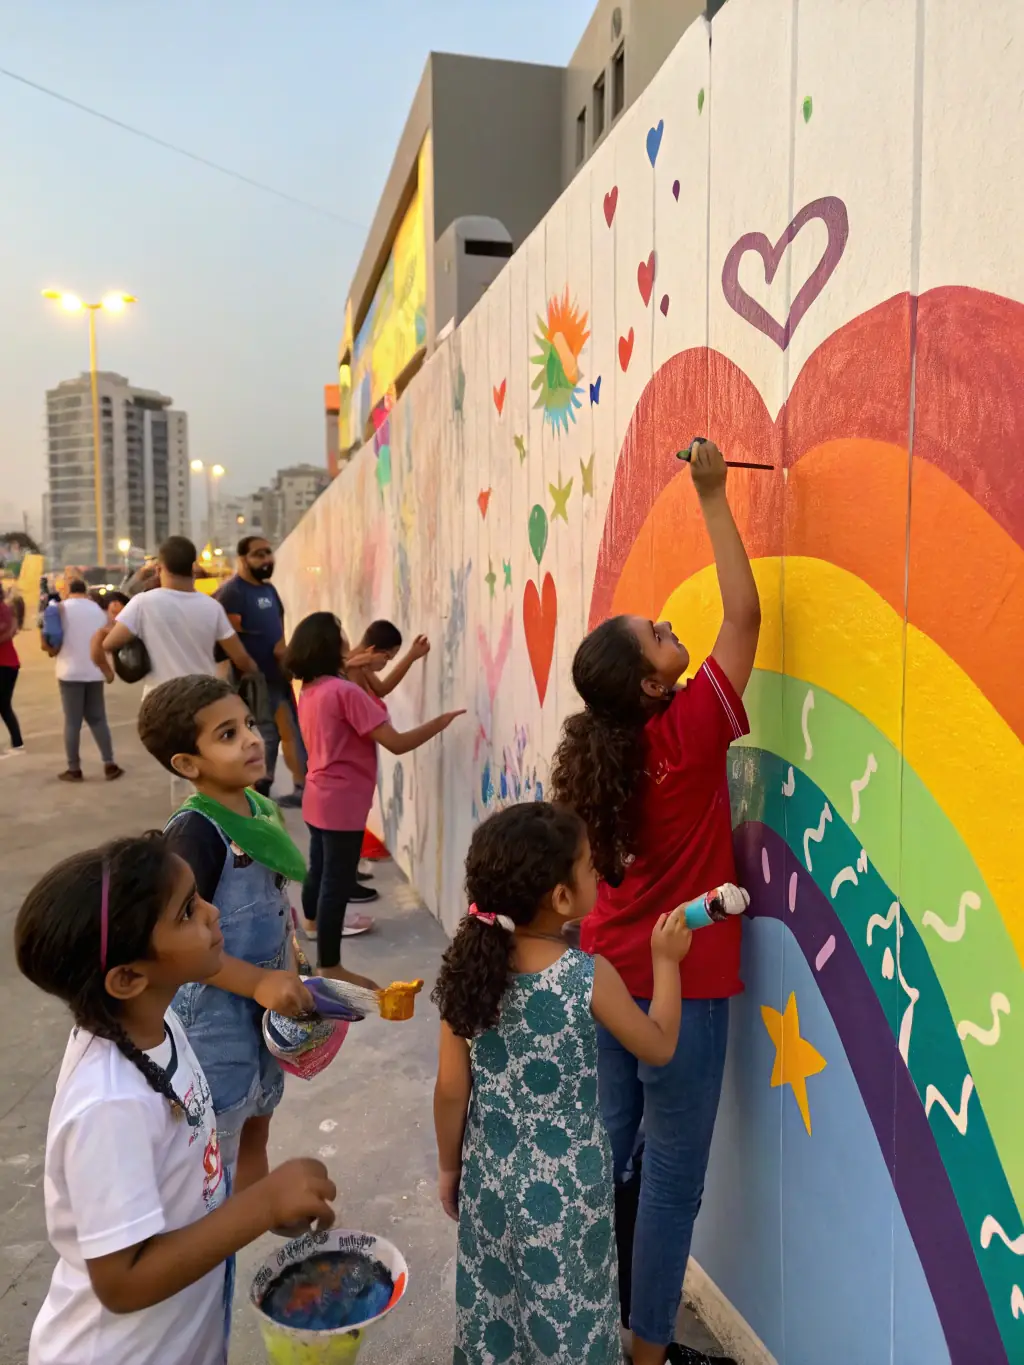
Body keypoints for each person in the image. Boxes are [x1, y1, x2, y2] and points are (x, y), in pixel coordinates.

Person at [549, 440, 758, 1365]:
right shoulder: (690, 727)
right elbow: (746, 614)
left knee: (607, 1153)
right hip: (686, 980)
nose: (675, 628)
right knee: (671, 1177)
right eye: (662, 635)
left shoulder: (589, 758)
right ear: (651, 683)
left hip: (604, 973)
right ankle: (646, 1350)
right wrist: (712, 496)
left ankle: (595, 1315)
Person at [16, 834, 337, 1365]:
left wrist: (255, 1209)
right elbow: (122, 1282)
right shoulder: (109, 1105)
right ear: (127, 977)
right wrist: (261, 1205)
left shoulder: (156, 1023)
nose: (213, 913)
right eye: (188, 911)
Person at [432, 802, 693, 1365]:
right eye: (586, 864)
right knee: (570, 1316)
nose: (597, 870)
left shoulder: (467, 969)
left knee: (496, 1314)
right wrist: (666, 961)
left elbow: (452, 1090)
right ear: (559, 897)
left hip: (491, 1179)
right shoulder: (586, 977)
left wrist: (451, 1167)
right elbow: (659, 1045)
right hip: (570, 1195)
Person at [137, 674, 314, 1186]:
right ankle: (220, 1236)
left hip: (263, 1012)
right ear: (188, 765)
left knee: (259, 1117)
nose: (253, 739)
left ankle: (256, 1210)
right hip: (213, 1019)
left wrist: (292, 969)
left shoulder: (258, 811)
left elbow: (275, 905)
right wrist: (257, 981)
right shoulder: (196, 834)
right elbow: (172, 944)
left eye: (249, 724)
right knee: (219, 1137)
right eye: (228, 734)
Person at [284, 611, 463, 974]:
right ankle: (330, 966)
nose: (349, 644)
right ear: (330, 647)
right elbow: (396, 743)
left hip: (318, 796)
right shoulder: (345, 692)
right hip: (343, 802)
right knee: (336, 881)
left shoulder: (312, 689)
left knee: (319, 869)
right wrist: (439, 724)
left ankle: (313, 925)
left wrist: (360, 662)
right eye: (342, 638)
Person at [215, 536, 307, 809]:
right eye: (259, 554)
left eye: (268, 553)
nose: (267, 559)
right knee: (263, 734)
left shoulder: (269, 590)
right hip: (251, 681)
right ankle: (258, 792)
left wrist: (287, 661)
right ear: (242, 559)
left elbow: (278, 629)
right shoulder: (232, 593)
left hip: (277, 675)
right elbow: (226, 638)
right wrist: (248, 671)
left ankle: (300, 788)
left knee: (290, 731)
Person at [344, 620, 431, 906]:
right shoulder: (351, 671)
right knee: (348, 819)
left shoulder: (361, 668)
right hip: (349, 756)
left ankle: (349, 872)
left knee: (356, 815)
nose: (387, 663)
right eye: (388, 657)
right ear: (374, 650)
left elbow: (382, 689)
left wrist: (411, 657)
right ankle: (345, 880)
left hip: (361, 756)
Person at [103, 536, 256, 696]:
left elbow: (109, 643)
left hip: (160, 699)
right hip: (202, 697)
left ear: (158, 569)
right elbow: (241, 658)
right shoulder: (213, 607)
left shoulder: (143, 603)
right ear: (192, 568)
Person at [45, 579, 123, 783]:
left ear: (70, 591)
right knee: (98, 719)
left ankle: (74, 768)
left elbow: (51, 638)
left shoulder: (61, 608)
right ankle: (110, 763)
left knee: (72, 722)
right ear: (86, 591)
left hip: (69, 672)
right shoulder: (97, 610)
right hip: (94, 671)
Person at [0, 588, 24, 756]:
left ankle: (17, 743)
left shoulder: (3, 610)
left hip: (5, 664)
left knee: (4, 705)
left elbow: (7, 630)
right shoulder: (5, 609)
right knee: (4, 706)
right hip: (8, 664)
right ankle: (17, 743)